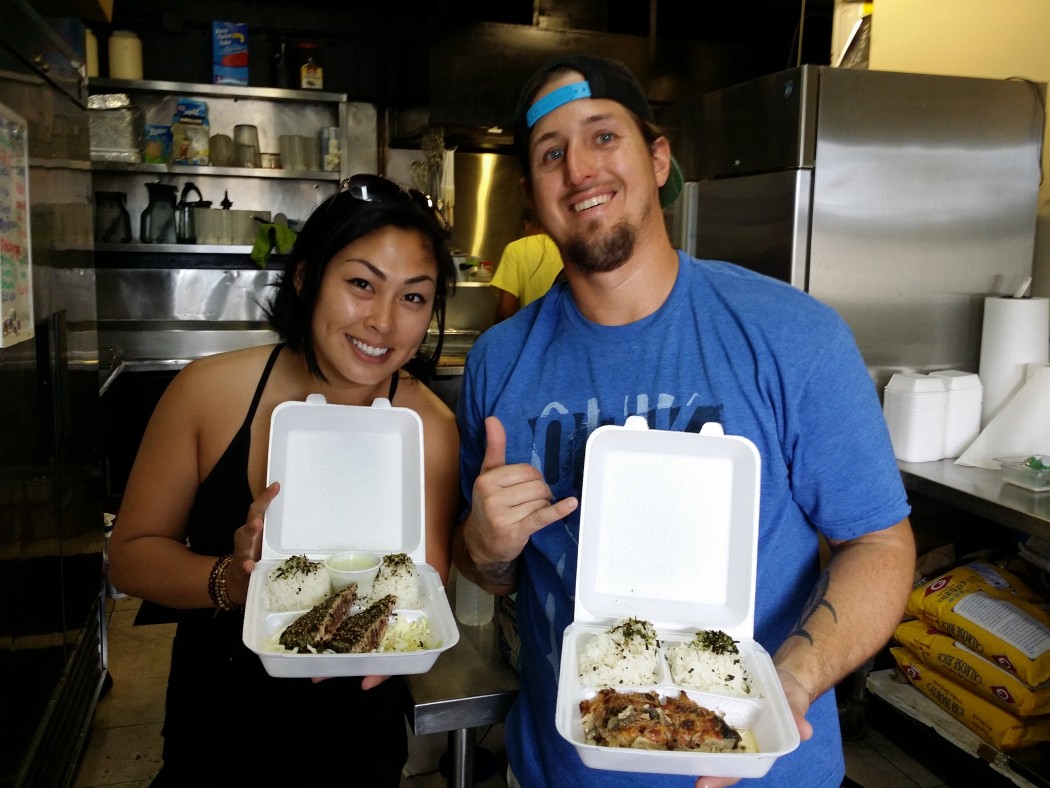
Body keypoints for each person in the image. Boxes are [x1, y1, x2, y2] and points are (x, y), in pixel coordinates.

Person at [452, 54, 915, 788]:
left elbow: (880, 541)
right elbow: (491, 570)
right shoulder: (498, 362)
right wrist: (485, 549)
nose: (579, 169)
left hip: (759, 765)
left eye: (604, 136)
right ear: (530, 197)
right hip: (562, 768)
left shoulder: (793, 336)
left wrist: (792, 679)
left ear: (659, 159)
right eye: (551, 152)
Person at [108, 174, 460, 786]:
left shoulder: (429, 426)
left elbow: (423, 585)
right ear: (305, 278)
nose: (382, 321)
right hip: (214, 724)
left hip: (355, 737)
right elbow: (130, 557)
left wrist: (397, 634)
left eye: (413, 297)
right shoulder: (208, 392)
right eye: (360, 284)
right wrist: (235, 581)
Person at [491, 207, 564, 322]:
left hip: (532, 331)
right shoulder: (567, 246)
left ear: (526, 224)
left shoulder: (515, 249)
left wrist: (496, 333)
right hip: (565, 330)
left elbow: (506, 310)